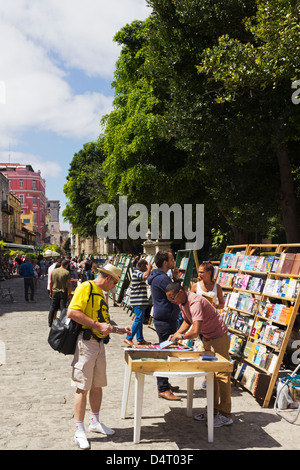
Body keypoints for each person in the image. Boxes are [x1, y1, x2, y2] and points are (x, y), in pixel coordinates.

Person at [67, 263, 132, 450]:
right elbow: (73, 312)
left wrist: (118, 329)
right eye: (115, 283)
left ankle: (94, 421)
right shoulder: (86, 287)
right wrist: (96, 325)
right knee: (82, 386)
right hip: (86, 343)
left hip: (99, 343)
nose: (114, 287)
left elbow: (103, 322)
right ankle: (79, 429)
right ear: (109, 278)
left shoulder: (100, 293)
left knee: (97, 385)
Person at [165, 282, 233, 427]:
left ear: (181, 292)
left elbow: (195, 331)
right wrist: (178, 332)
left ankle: (226, 414)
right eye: (170, 299)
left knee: (222, 374)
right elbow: (187, 320)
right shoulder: (182, 302)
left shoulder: (194, 302)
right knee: (211, 374)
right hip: (208, 337)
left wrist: (181, 337)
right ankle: (212, 411)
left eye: (173, 298)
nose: (172, 301)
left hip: (218, 336)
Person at [147, 250, 181, 401]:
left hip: (165, 317)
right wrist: (177, 280)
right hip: (165, 318)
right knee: (164, 351)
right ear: (165, 262)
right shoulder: (161, 279)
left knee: (167, 350)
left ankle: (165, 382)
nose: (174, 262)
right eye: (172, 259)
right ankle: (162, 388)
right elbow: (176, 292)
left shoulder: (160, 277)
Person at [124, 258, 152, 346]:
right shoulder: (137, 272)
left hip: (140, 301)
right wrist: (149, 269)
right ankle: (129, 337)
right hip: (138, 301)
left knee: (140, 320)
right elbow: (145, 276)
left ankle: (140, 339)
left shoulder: (137, 272)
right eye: (146, 266)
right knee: (139, 319)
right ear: (143, 266)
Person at [48, 259, 71, 326]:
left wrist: (50, 291)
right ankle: (62, 322)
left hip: (55, 291)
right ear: (66, 265)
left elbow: (51, 282)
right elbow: (69, 284)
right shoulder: (66, 272)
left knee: (53, 307)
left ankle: (50, 322)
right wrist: (69, 294)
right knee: (63, 308)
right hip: (63, 291)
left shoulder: (54, 271)